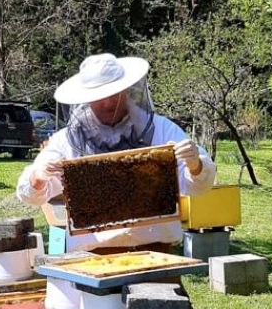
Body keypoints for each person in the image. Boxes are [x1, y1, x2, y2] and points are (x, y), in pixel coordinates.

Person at [16, 53, 216, 252]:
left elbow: (201, 187)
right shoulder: (65, 141)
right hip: (92, 259)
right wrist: (38, 176)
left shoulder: (163, 130)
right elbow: (29, 195)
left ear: (126, 90)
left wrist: (195, 165)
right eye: (99, 97)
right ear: (86, 98)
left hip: (156, 253)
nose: (108, 103)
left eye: (114, 94)